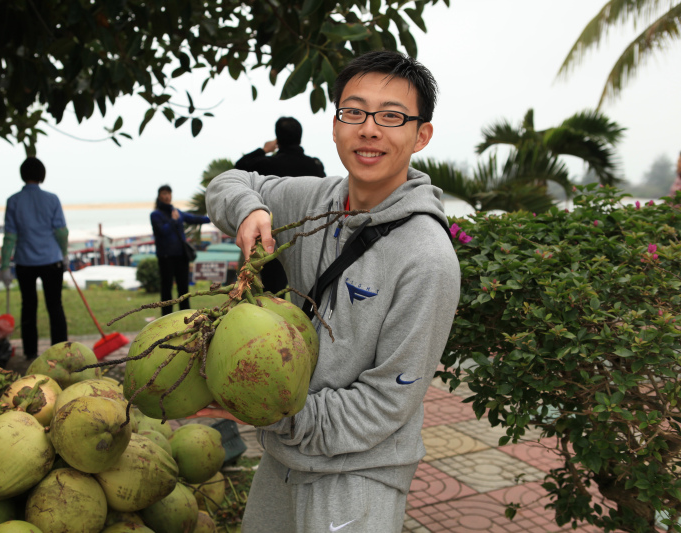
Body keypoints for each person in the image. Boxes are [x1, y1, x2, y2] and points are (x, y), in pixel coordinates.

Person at [200, 50, 461, 532]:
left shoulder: (428, 259)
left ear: (420, 134)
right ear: (336, 123)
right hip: (283, 460)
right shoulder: (312, 198)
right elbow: (228, 182)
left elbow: (386, 401)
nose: (369, 129)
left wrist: (273, 411)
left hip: (358, 474)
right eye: (354, 112)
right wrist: (249, 210)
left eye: (391, 116)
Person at [234, 117, 327, 294]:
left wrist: (264, 149)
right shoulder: (314, 166)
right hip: (307, 239)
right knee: (310, 293)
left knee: (272, 293)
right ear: (300, 137)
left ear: (278, 139)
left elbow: (239, 168)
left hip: (273, 238)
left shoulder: (267, 164)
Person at [0, 157, 69, 359]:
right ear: (42, 175)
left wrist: (5, 266)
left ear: (23, 175)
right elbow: (61, 232)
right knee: (55, 306)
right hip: (52, 261)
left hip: (25, 262)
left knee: (28, 308)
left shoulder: (13, 201)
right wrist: (64, 254)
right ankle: (60, 353)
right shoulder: (52, 199)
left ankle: (30, 353)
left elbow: (9, 237)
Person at [150, 185, 210, 316]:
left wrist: (213, 218)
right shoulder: (155, 215)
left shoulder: (176, 211)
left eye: (169, 193)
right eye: (164, 193)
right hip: (166, 257)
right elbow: (162, 232)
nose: (167, 196)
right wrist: (173, 221)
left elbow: (194, 219)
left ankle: (185, 315)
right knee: (167, 289)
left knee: (184, 288)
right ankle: (166, 317)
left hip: (181, 256)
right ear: (159, 196)